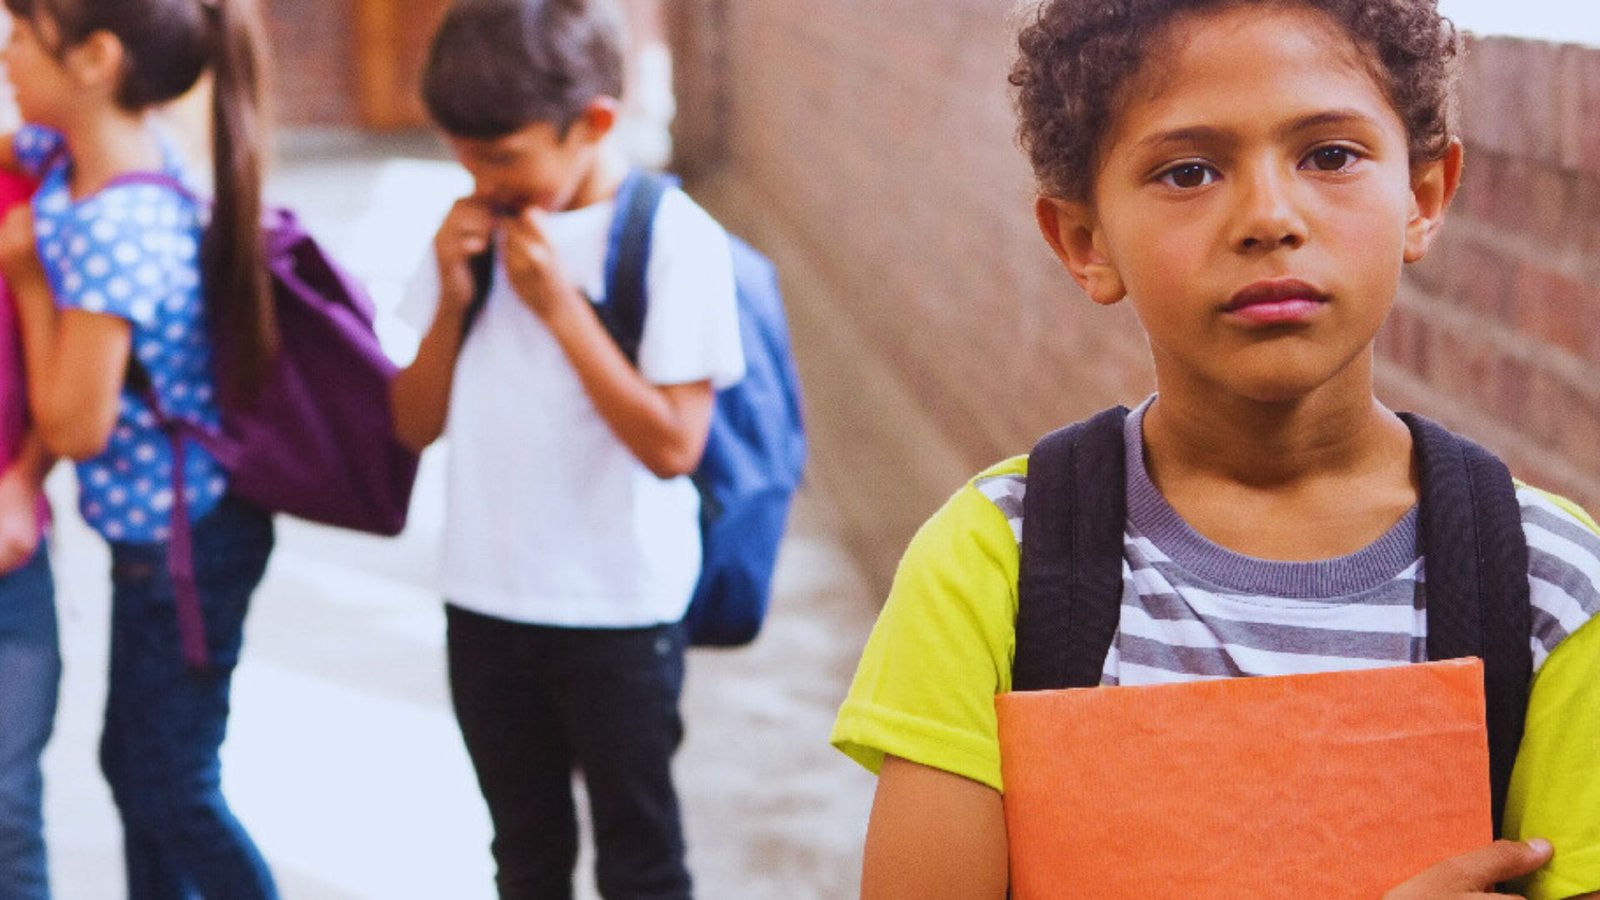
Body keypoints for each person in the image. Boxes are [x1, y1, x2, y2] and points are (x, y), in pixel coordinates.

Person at [828, 1, 1600, 898]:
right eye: (1188, 171)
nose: (1268, 218)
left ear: (1423, 199)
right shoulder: (992, 568)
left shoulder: (1548, 586)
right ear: (1086, 242)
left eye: (1330, 155)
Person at [391, 0, 744, 897]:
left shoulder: (673, 240)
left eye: (502, 155)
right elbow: (411, 422)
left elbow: (673, 445)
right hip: (484, 601)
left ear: (592, 122)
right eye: (461, 152)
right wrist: (452, 296)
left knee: (640, 858)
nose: (478, 175)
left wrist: (559, 312)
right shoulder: (467, 232)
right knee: (525, 853)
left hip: (619, 611)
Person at [0, 0, 281, 897]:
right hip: (160, 543)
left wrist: (29, 277)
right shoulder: (92, 153)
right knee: (141, 768)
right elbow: (20, 146)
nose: (3, 50)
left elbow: (77, 426)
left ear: (95, 59)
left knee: (172, 784)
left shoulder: (116, 229)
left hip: (188, 548)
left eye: (18, 32)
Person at [0, 163, 56, 900]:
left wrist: (25, 481)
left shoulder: (23, 191)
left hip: (11, 561)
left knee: (7, 809)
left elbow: (65, 373)